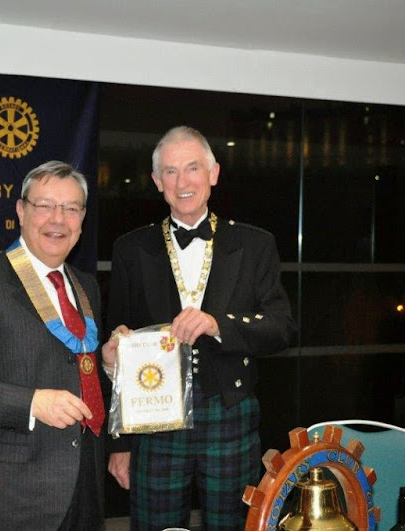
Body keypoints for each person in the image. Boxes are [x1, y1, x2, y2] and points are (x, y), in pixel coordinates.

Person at [106, 126, 297, 530]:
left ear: (213, 173)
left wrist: (218, 324)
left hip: (229, 412)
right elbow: (116, 344)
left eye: (193, 168)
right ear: (157, 182)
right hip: (153, 421)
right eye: (171, 172)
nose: (183, 182)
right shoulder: (130, 249)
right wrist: (119, 442)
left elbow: (282, 328)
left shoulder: (255, 244)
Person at [0, 160, 118, 531]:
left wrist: (106, 364)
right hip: (13, 496)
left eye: (71, 208)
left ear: (82, 218)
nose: (58, 219)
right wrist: (31, 403)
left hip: (85, 483)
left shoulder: (86, 286)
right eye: (45, 205)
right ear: (21, 210)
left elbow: (72, 364)